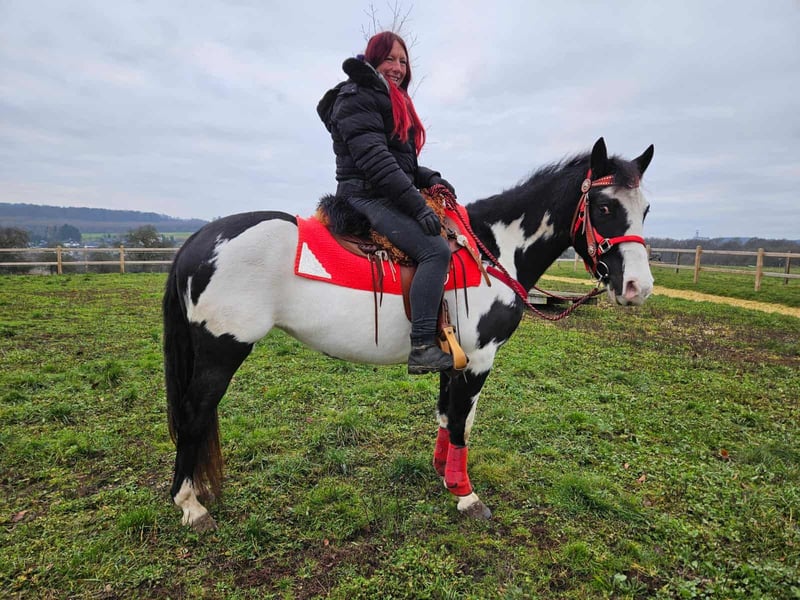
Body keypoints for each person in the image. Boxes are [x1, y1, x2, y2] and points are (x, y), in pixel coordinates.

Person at [317, 31, 455, 374]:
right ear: (374, 59)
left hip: (381, 190)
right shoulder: (358, 97)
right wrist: (417, 207)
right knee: (435, 251)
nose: (397, 67)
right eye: (390, 59)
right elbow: (376, 163)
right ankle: (422, 346)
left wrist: (430, 178)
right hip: (364, 196)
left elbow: (400, 163)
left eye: (403, 61)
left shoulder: (389, 98)